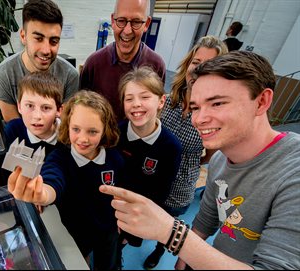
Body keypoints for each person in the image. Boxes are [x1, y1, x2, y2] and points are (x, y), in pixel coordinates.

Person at [100, 51, 300, 270]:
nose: (199, 119)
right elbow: (206, 220)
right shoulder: (219, 161)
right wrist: (184, 260)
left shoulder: (292, 170)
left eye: (217, 104)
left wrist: (171, 232)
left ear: (262, 101)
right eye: (195, 107)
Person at [8, 90, 124, 270]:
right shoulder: (59, 159)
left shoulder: (115, 158)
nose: (83, 139)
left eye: (92, 131)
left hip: (107, 229)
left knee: (108, 264)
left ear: (104, 131)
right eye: (76, 129)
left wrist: (121, 221)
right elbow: (53, 181)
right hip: (76, 230)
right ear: (67, 126)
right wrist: (42, 193)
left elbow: (122, 191)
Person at [143, 35, 228, 269]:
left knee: (170, 222)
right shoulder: (167, 101)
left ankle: (159, 250)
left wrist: (195, 160)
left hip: (181, 184)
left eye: (208, 65)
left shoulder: (213, 113)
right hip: (153, 177)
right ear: (187, 64)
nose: (199, 69)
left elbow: (211, 151)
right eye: (196, 61)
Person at [117, 66, 182, 249]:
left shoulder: (171, 146)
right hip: (113, 208)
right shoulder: (115, 134)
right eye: (129, 99)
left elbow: (161, 192)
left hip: (143, 211)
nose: (136, 104)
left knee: (125, 241)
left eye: (145, 97)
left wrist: (133, 224)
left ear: (161, 101)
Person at [0, 0, 79, 122]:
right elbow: (16, 127)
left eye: (54, 41)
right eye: (38, 39)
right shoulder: (3, 74)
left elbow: (65, 127)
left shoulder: (70, 75)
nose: (46, 50)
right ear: (23, 36)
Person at [80, 0, 166, 121]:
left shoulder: (156, 65)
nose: (127, 31)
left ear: (146, 23)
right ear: (112, 21)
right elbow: (82, 109)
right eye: (121, 21)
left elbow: (155, 113)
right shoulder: (94, 64)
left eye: (136, 22)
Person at [3, 71, 63, 154]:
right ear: (19, 107)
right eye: (30, 106)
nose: (37, 116)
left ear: (59, 110)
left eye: (46, 108)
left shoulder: (69, 137)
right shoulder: (13, 130)